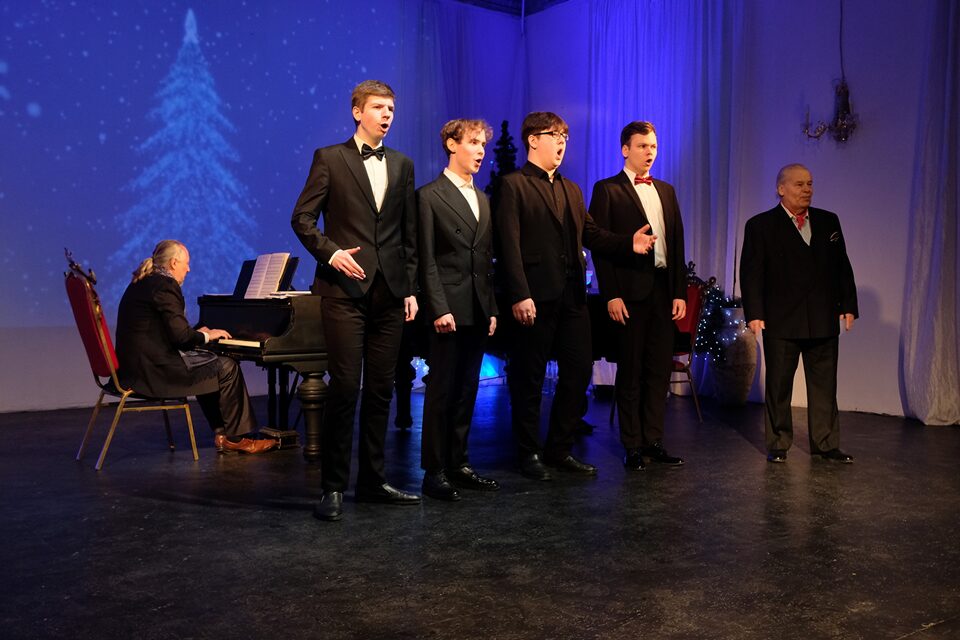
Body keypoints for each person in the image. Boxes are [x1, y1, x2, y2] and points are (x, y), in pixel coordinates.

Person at [495, 111, 656, 480]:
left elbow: (591, 234)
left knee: (579, 370)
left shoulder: (571, 189)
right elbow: (509, 245)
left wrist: (628, 243)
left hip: (572, 298)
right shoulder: (513, 185)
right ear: (533, 139)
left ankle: (559, 449)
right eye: (555, 135)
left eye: (565, 136)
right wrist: (519, 293)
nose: (562, 142)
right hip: (534, 297)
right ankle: (528, 453)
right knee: (529, 378)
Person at [292, 80, 420, 521]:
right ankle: (332, 488)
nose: (387, 115)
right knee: (346, 388)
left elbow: (408, 233)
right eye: (378, 107)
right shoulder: (330, 158)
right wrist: (330, 253)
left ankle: (372, 482)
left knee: (381, 389)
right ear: (357, 111)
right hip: (344, 293)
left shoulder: (402, 164)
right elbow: (302, 217)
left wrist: (410, 288)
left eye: (391, 109)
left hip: (390, 293)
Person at [739, 163, 859, 464]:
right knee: (779, 385)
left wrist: (848, 305)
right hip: (782, 319)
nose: (807, 190)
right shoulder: (760, 225)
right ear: (781, 189)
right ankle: (778, 442)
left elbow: (842, 267)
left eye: (810, 184)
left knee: (824, 385)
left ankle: (826, 443)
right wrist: (754, 312)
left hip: (822, 316)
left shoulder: (828, 221)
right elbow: (751, 273)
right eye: (799, 184)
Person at [115, 240, 275, 454]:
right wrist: (206, 336)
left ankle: (222, 434)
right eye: (186, 263)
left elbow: (166, 331)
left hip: (136, 368)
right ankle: (237, 438)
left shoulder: (145, 281)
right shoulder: (165, 285)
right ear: (173, 263)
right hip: (151, 373)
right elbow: (181, 337)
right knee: (227, 367)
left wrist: (199, 334)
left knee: (206, 361)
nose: (189, 269)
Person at [589, 121, 687, 470]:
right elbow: (599, 246)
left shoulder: (667, 191)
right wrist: (611, 294)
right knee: (630, 369)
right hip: (629, 292)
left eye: (653, 146)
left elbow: (676, 243)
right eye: (643, 146)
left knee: (658, 369)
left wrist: (679, 292)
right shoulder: (607, 189)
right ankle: (632, 444)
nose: (649, 152)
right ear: (625, 149)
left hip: (662, 290)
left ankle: (653, 440)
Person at [417, 119, 500, 501]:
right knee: (441, 390)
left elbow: (485, 260)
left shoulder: (482, 198)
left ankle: (459, 463)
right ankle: (434, 471)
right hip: (447, 308)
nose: (481, 150)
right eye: (473, 142)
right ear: (452, 144)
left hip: (477, 308)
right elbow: (426, 259)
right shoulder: (429, 196)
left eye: (483, 144)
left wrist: (491, 307)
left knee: (467, 389)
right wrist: (438, 307)